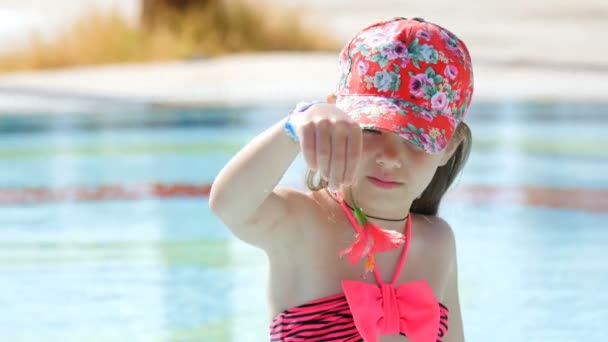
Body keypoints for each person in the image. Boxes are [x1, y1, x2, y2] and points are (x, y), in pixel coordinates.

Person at [209, 16, 474, 342]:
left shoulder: (438, 244)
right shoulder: (302, 224)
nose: (390, 156)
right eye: (373, 130)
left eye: (416, 137)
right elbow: (228, 205)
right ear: (337, 120)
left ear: (450, 147)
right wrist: (295, 126)